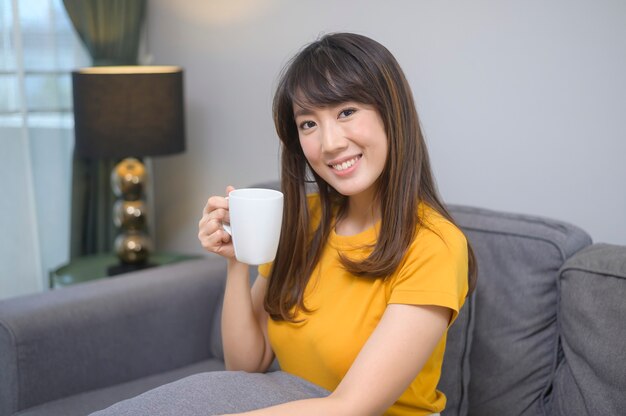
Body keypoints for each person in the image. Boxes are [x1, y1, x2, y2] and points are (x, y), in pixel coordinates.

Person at [198, 32, 477, 416]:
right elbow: (246, 364)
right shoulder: (304, 221)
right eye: (308, 124)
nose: (329, 143)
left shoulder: (435, 244)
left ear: (391, 113)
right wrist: (237, 261)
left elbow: (352, 407)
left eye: (346, 112)